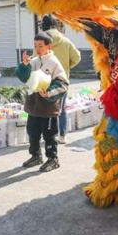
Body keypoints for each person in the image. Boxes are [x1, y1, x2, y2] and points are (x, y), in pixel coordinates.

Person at [15, 33, 70, 172]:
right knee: (32, 132)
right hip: (33, 105)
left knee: (49, 134)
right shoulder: (34, 61)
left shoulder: (54, 63)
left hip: (48, 107)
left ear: (49, 46)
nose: (37, 49)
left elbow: (63, 84)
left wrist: (49, 92)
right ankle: (36, 156)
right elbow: (23, 77)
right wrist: (25, 65)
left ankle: (53, 159)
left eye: (40, 46)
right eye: (35, 46)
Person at [41, 14, 81, 143]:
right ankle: (62, 136)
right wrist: (67, 66)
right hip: (63, 79)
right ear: (55, 24)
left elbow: (35, 59)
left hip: (45, 79)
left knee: (46, 108)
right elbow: (77, 57)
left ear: (43, 26)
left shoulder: (41, 41)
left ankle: (49, 136)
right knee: (61, 108)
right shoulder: (65, 40)